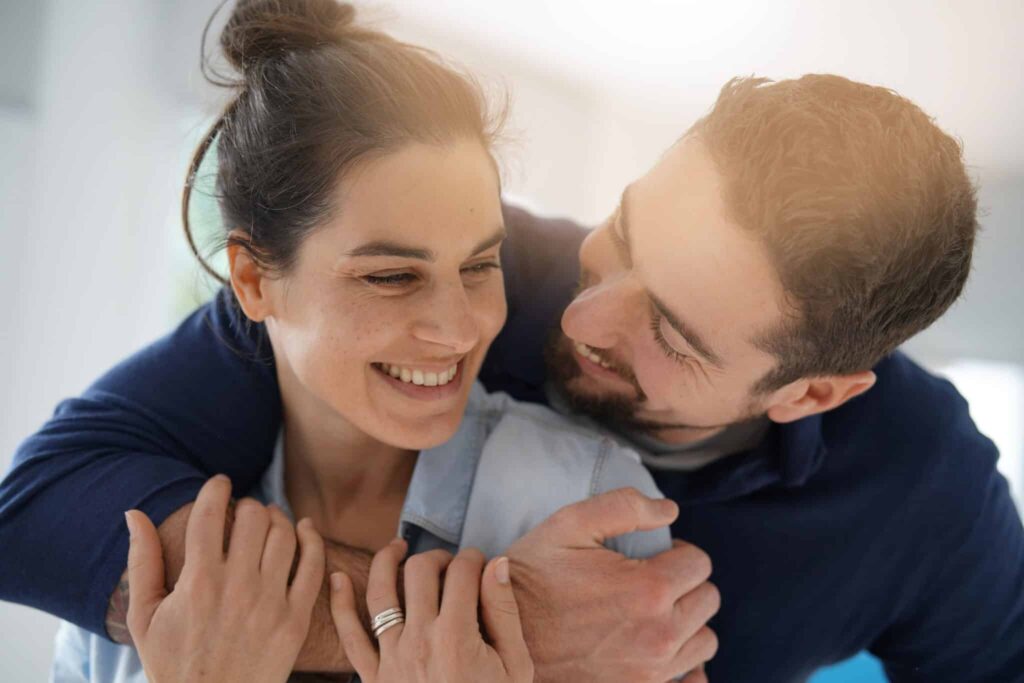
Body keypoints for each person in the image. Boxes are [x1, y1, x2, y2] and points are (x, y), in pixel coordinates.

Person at [2, 9, 1022, 683]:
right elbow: (37, 509)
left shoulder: (925, 486)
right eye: (623, 232)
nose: (581, 316)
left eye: (669, 333)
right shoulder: (478, 265)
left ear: (811, 393)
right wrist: (511, 622)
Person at [40, 1, 683, 682]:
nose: (459, 329)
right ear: (254, 281)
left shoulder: (589, 500)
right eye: (392, 276)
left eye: (478, 265)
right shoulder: (144, 561)